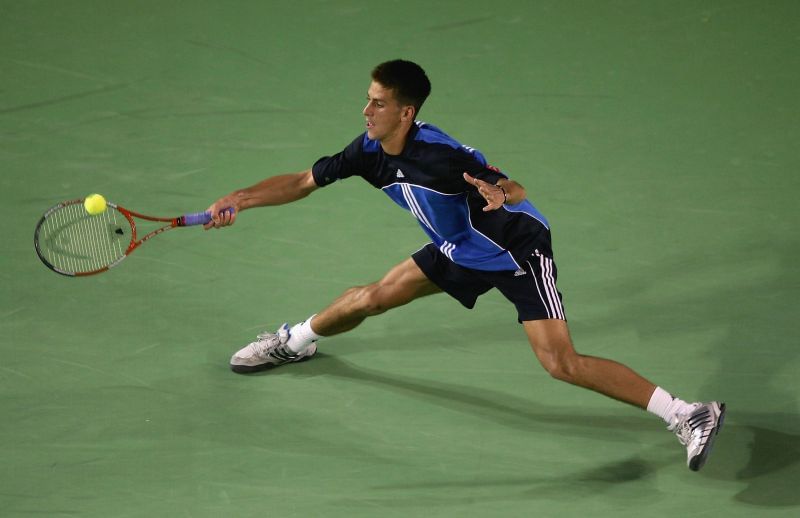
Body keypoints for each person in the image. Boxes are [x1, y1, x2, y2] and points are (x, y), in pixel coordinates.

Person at [203, 59, 725, 471]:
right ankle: (294, 342)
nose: (366, 111)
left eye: (378, 103)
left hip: (512, 251)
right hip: (457, 247)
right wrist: (239, 199)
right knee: (373, 296)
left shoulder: (444, 156)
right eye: (367, 99)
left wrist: (500, 194)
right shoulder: (367, 151)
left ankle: (686, 413)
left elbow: (515, 187)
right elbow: (300, 182)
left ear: (406, 112)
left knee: (560, 363)